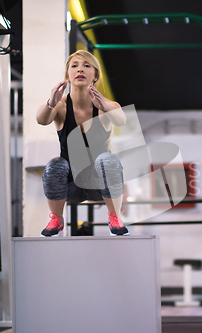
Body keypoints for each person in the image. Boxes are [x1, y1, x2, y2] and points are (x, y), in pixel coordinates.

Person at [36, 50, 129, 237]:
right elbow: (41, 120)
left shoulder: (107, 105)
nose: (80, 69)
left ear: (95, 76)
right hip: (71, 185)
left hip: (99, 187)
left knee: (107, 159)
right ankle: (56, 219)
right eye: (75, 66)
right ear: (67, 75)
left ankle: (115, 217)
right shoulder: (60, 106)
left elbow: (121, 120)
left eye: (87, 66)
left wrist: (104, 106)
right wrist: (50, 102)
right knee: (55, 164)